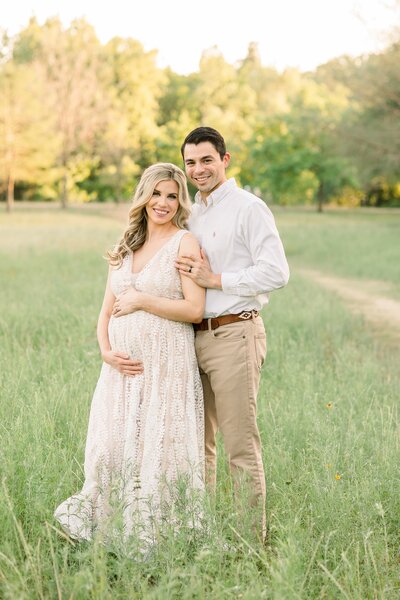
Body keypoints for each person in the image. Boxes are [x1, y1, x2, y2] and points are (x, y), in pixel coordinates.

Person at [114, 127, 290, 541]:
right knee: (197, 445)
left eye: (207, 160)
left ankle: (251, 546)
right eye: (191, 162)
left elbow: (277, 272)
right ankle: (202, 535)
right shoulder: (193, 213)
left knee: (240, 448)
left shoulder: (249, 208)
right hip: (190, 340)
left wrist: (216, 278)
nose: (198, 169)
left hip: (234, 334)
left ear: (225, 160)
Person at [54, 163, 205, 549]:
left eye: (172, 196)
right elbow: (105, 313)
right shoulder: (125, 245)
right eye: (157, 193)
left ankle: (157, 533)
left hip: (165, 362)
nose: (164, 203)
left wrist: (142, 300)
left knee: (157, 445)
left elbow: (194, 310)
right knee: (112, 446)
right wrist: (107, 353)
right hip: (121, 370)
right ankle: (106, 524)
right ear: (144, 196)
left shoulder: (185, 243)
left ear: (180, 202)